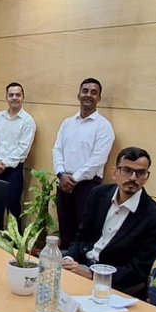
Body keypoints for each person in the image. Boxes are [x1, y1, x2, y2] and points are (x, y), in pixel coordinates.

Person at [61, 147, 156, 297]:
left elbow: (138, 271)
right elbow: (82, 237)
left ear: (146, 177)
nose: (133, 178)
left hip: (113, 285)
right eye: (127, 170)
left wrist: (92, 274)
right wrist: (68, 260)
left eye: (140, 173)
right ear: (115, 172)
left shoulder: (153, 217)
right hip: (81, 269)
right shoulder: (98, 194)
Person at [52, 77, 114, 248]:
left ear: (99, 98)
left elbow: (98, 159)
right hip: (63, 182)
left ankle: (77, 268)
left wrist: (74, 178)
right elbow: (57, 150)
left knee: (83, 232)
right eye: (85, 91)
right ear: (78, 94)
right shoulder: (67, 123)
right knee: (65, 230)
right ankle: (64, 266)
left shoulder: (104, 126)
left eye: (94, 92)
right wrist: (61, 174)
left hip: (87, 186)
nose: (89, 95)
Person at [0, 82, 37, 221]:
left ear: (23, 97)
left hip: (13, 171)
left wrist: (3, 163)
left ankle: (14, 242)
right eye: (11, 95)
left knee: (13, 208)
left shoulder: (28, 121)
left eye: (18, 95)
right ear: (6, 97)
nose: (14, 97)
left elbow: (23, 149)